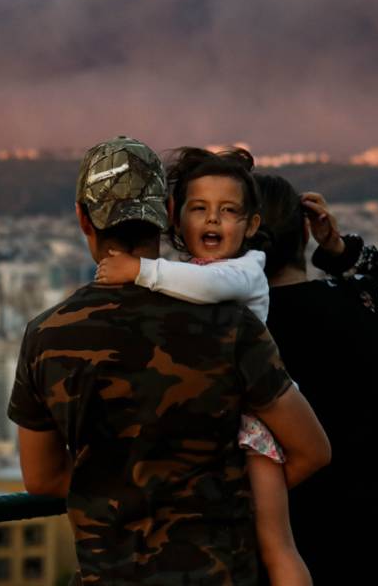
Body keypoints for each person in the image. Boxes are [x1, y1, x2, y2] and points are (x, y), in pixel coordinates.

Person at [8, 136, 330, 585]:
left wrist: (132, 492)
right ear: (168, 214)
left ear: (83, 217)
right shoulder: (229, 324)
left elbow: (42, 479)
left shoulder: (47, 336)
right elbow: (312, 450)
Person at [95, 147, 310, 586]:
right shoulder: (182, 273)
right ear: (176, 221)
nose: (212, 220)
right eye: (199, 209)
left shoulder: (246, 269)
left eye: (228, 211)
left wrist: (140, 269)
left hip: (255, 427)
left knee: (276, 545)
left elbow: (210, 286)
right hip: (212, 426)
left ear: (251, 226)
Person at [255, 175, 378, 585]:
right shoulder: (361, 303)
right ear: (303, 230)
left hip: (296, 540)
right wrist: (335, 246)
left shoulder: (237, 327)